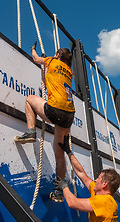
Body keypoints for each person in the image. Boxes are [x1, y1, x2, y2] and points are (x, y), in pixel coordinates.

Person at [14, 42, 75, 201]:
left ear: (58, 56)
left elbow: (35, 59)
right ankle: (59, 192)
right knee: (60, 153)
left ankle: (30, 132)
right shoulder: (70, 72)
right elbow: (51, 79)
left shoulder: (52, 61)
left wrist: (33, 50)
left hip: (55, 110)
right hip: (69, 116)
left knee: (30, 99)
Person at [51, 135, 120, 222]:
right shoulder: (98, 193)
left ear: (104, 184)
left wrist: (64, 187)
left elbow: (72, 203)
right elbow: (81, 173)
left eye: (98, 178)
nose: (95, 180)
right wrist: (69, 152)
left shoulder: (104, 201)